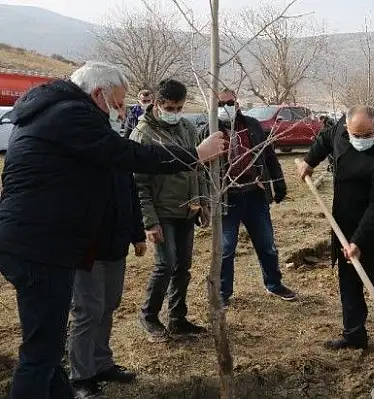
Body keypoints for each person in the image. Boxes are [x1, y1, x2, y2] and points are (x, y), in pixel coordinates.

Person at [0, 61, 226, 399]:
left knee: (47, 348)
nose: (121, 111)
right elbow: (128, 155)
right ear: (96, 94)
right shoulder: (70, 115)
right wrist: (193, 155)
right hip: (40, 246)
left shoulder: (53, 111)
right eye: (118, 103)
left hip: (39, 240)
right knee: (40, 353)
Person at [297, 105, 374, 349]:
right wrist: (309, 160)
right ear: (347, 128)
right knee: (348, 279)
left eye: (368, 134)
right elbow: (324, 138)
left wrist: (359, 240)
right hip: (343, 220)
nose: (363, 139)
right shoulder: (339, 132)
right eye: (357, 135)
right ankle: (354, 333)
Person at [132, 79, 211, 341]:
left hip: (187, 209)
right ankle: (149, 315)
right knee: (165, 264)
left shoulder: (187, 128)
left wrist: (202, 203)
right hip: (161, 211)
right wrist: (149, 221)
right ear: (156, 104)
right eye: (170, 107)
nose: (175, 112)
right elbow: (138, 184)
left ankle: (177, 318)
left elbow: (197, 168)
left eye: (179, 107)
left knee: (183, 267)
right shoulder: (144, 134)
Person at [204, 89, 296, 306]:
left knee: (267, 244)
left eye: (230, 102)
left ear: (237, 103)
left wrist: (278, 183)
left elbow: (269, 156)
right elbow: (200, 168)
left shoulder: (252, 125)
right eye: (220, 103)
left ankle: (274, 284)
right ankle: (223, 294)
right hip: (226, 198)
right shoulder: (208, 131)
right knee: (226, 250)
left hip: (254, 194)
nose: (226, 107)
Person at [68, 159, 147, 397]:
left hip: (116, 247)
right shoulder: (78, 157)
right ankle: (81, 376)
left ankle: (102, 363)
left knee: (108, 306)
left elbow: (132, 198)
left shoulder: (119, 159)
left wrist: (137, 234)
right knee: (87, 311)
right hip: (87, 251)